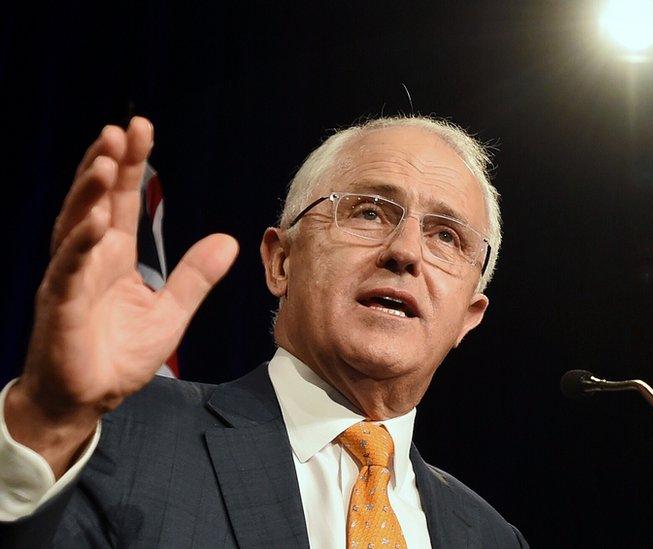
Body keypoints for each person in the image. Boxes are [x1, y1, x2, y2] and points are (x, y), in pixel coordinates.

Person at [0, 115, 528, 548]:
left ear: (468, 317)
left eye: (446, 236)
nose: (406, 252)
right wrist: (47, 424)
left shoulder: (490, 537)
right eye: (368, 211)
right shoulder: (120, 435)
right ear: (281, 262)